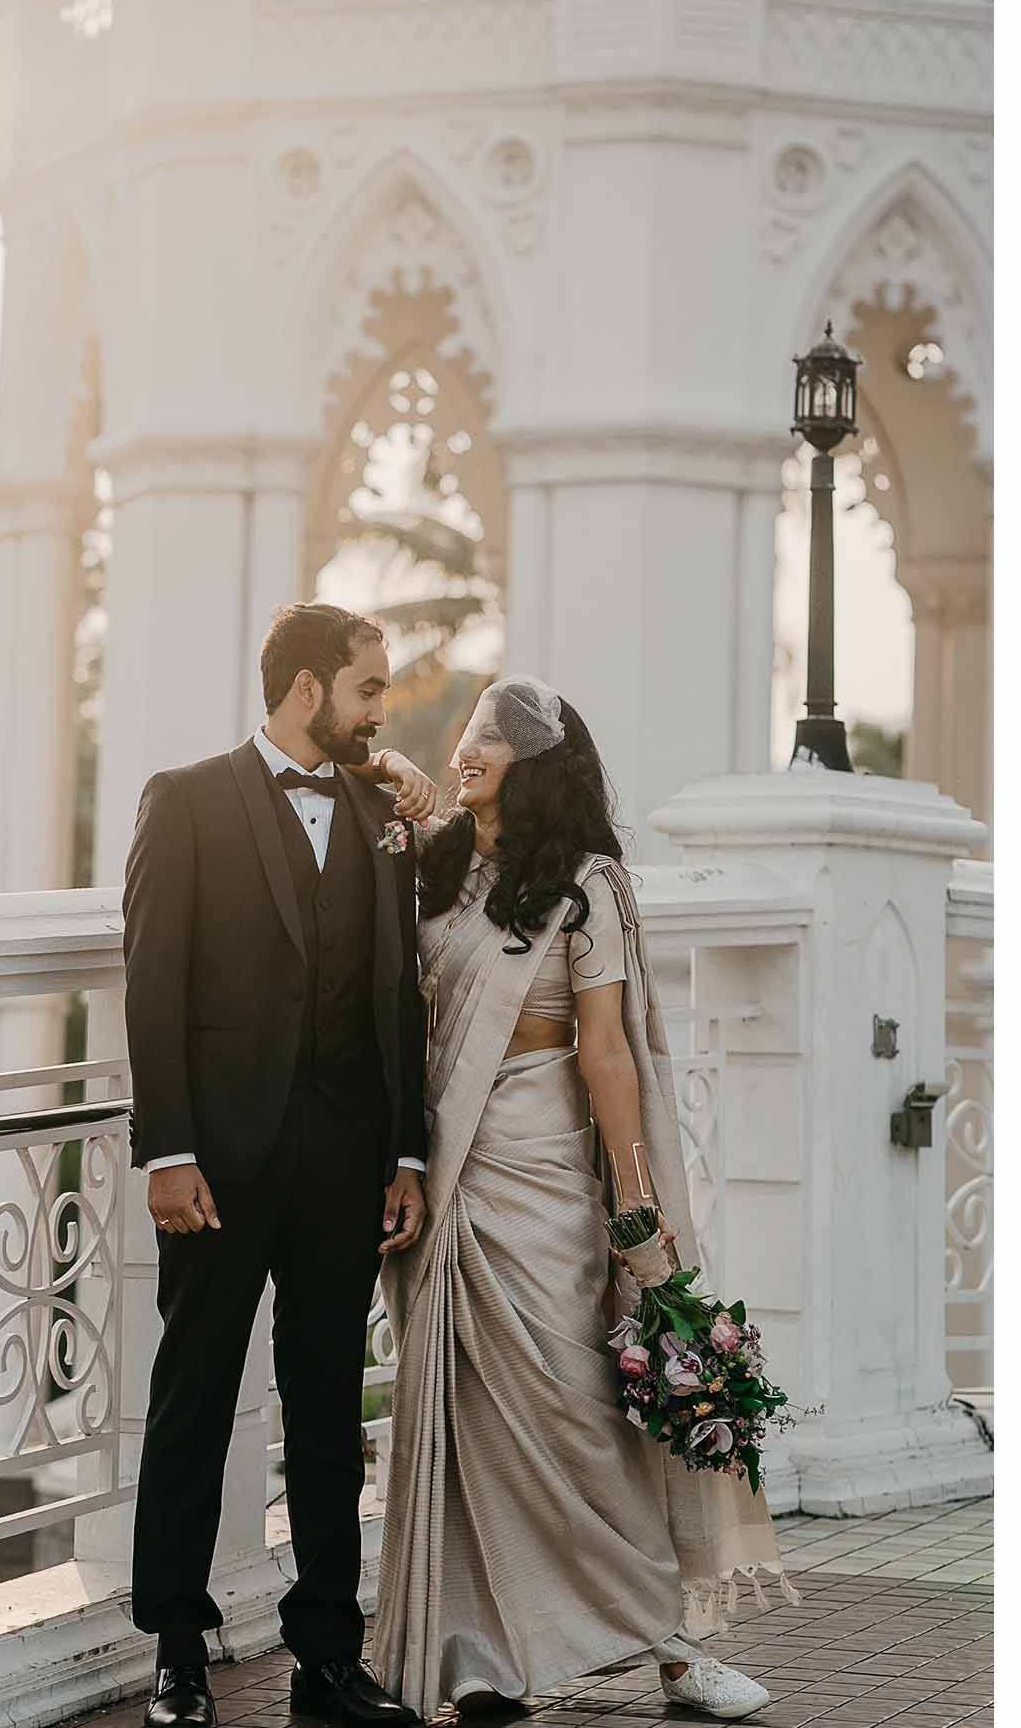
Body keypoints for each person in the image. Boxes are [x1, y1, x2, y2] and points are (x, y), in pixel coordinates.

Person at [374, 676, 797, 1724]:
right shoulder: (433, 869)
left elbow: (606, 1051)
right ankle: (478, 1654)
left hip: (549, 1176)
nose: (469, 748)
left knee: (583, 1413)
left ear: (539, 765)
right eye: (465, 732)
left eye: (493, 740)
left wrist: (637, 1199)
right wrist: (403, 786)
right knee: (468, 1428)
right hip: (448, 1168)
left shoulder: (586, 884)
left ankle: (671, 1642)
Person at [124, 603, 438, 1728]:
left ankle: (326, 1657)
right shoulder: (188, 797)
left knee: (323, 1411)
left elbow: (401, 990)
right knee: (195, 1397)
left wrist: (405, 1149)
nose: (380, 708)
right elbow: (152, 984)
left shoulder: (378, 810)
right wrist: (167, 1149)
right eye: (368, 688)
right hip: (216, 1161)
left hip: (345, 1160)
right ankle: (176, 1649)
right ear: (308, 688)